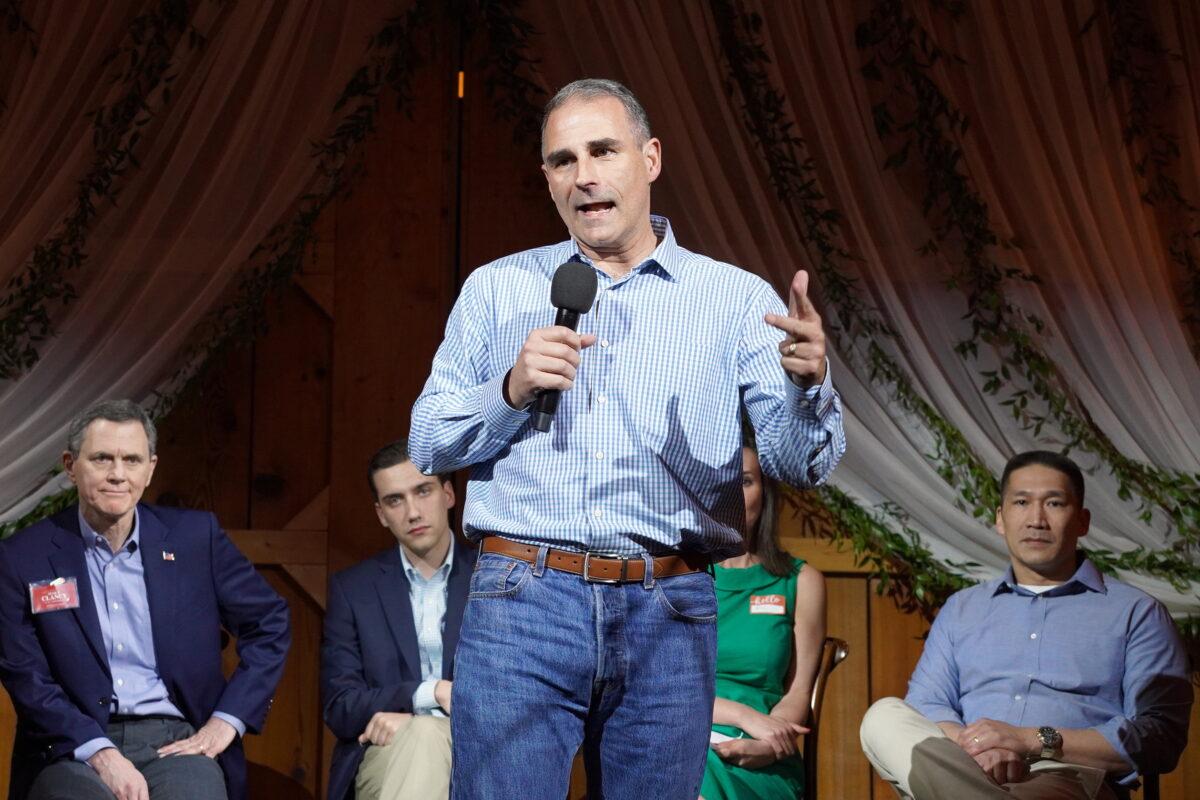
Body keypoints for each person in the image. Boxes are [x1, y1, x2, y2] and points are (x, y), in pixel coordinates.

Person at [409, 78, 846, 800]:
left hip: (668, 607)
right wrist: (510, 390)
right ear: (547, 180)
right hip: (524, 598)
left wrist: (808, 385)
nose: (584, 175)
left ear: (650, 159)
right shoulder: (498, 288)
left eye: (603, 151)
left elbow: (803, 464)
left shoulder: (733, 300)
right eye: (562, 160)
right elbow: (427, 441)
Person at [0, 399, 291, 800]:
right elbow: (26, 676)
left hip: (176, 741)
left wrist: (228, 719)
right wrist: (101, 753)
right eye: (102, 458)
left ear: (150, 468)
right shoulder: (22, 557)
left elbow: (269, 621)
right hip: (70, 744)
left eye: (132, 460)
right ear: (70, 466)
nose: (118, 474)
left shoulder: (194, 539)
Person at [859, 450, 1193, 800]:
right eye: (1021, 502)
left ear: (1082, 521)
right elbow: (927, 705)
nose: (1036, 519)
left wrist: (1026, 740)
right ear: (1000, 519)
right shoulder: (963, 609)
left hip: (1068, 777)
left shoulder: (1137, 613)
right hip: (964, 764)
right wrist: (981, 748)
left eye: (1054, 503)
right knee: (883, 718)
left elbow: (1159, 737)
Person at [321, 439, 474, 800]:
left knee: (424, 735)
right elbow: (341, 705)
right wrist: (427, 695)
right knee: (420, 739)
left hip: (482, 754)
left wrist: (423, 722)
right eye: (395, 500)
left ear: (448, 495)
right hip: (386, 757)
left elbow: (520, 695)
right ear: (380, 514)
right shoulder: (353, 590)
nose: (413, 512)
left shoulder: (494, 577)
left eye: (423, 492)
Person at [700, 441, 826, 799]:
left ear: (765, 491)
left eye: (744, 481)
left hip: (765, 752)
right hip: (683, 734)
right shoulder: (678, 577)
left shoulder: (800, 582)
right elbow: (663, 689)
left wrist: (770, 745)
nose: (732, 494)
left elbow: (799, 691)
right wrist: (742, 715)